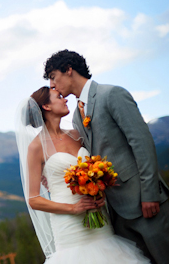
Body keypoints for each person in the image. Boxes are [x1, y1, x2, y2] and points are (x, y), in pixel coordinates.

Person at [43, 49, 169, 263]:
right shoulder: (75, 116)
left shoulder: (111, 94)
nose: (53, 85)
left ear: (69, 70)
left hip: (145, 202)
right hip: (114, 214)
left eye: (53, 77)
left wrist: (149, 194)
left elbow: (142, 143)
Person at [16, 86, 150, 263]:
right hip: (70, 227)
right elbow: (33, 199)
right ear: (47, 107)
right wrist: (73, 208)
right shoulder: (36, 147)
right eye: (59, 97)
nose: (65, 99)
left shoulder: (77, 134)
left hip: (100, 220)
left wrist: (99, 193)